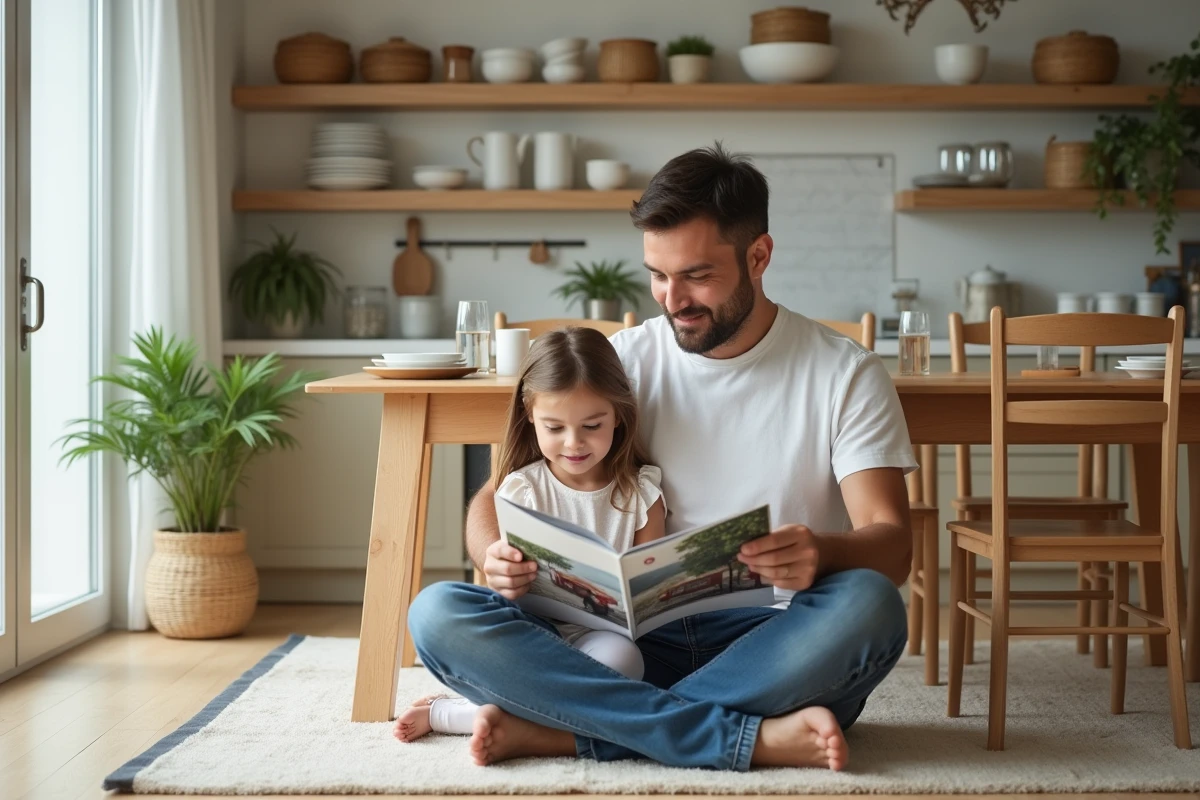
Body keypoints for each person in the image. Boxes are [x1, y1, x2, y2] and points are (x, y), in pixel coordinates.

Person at [408, 142, 916, 772]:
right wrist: (493, 553)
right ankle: (743, 737)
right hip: (617, 638)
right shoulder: (624, 360)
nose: (672, 299)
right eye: (657, 274)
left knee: (869, 606)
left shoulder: (845, 374)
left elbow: (893, 544)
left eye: (697, 276)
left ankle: (572, 730)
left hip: (770, 640)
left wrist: (824, 550)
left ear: (759, 256)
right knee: (439, 613)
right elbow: (499, 492)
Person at [395, 326, 666, 743]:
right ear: (530, 416)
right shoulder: (523, 489)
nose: (573, 443)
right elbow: (504, 585)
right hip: (533, 634)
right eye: (554, 428)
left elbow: (650, 593)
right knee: (441, 611)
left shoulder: (642, 492)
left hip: (604, 640)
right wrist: (503, 574)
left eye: (592, 425)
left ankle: (463, 715)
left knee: (625, 662)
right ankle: (565, 711)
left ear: (619, 415)